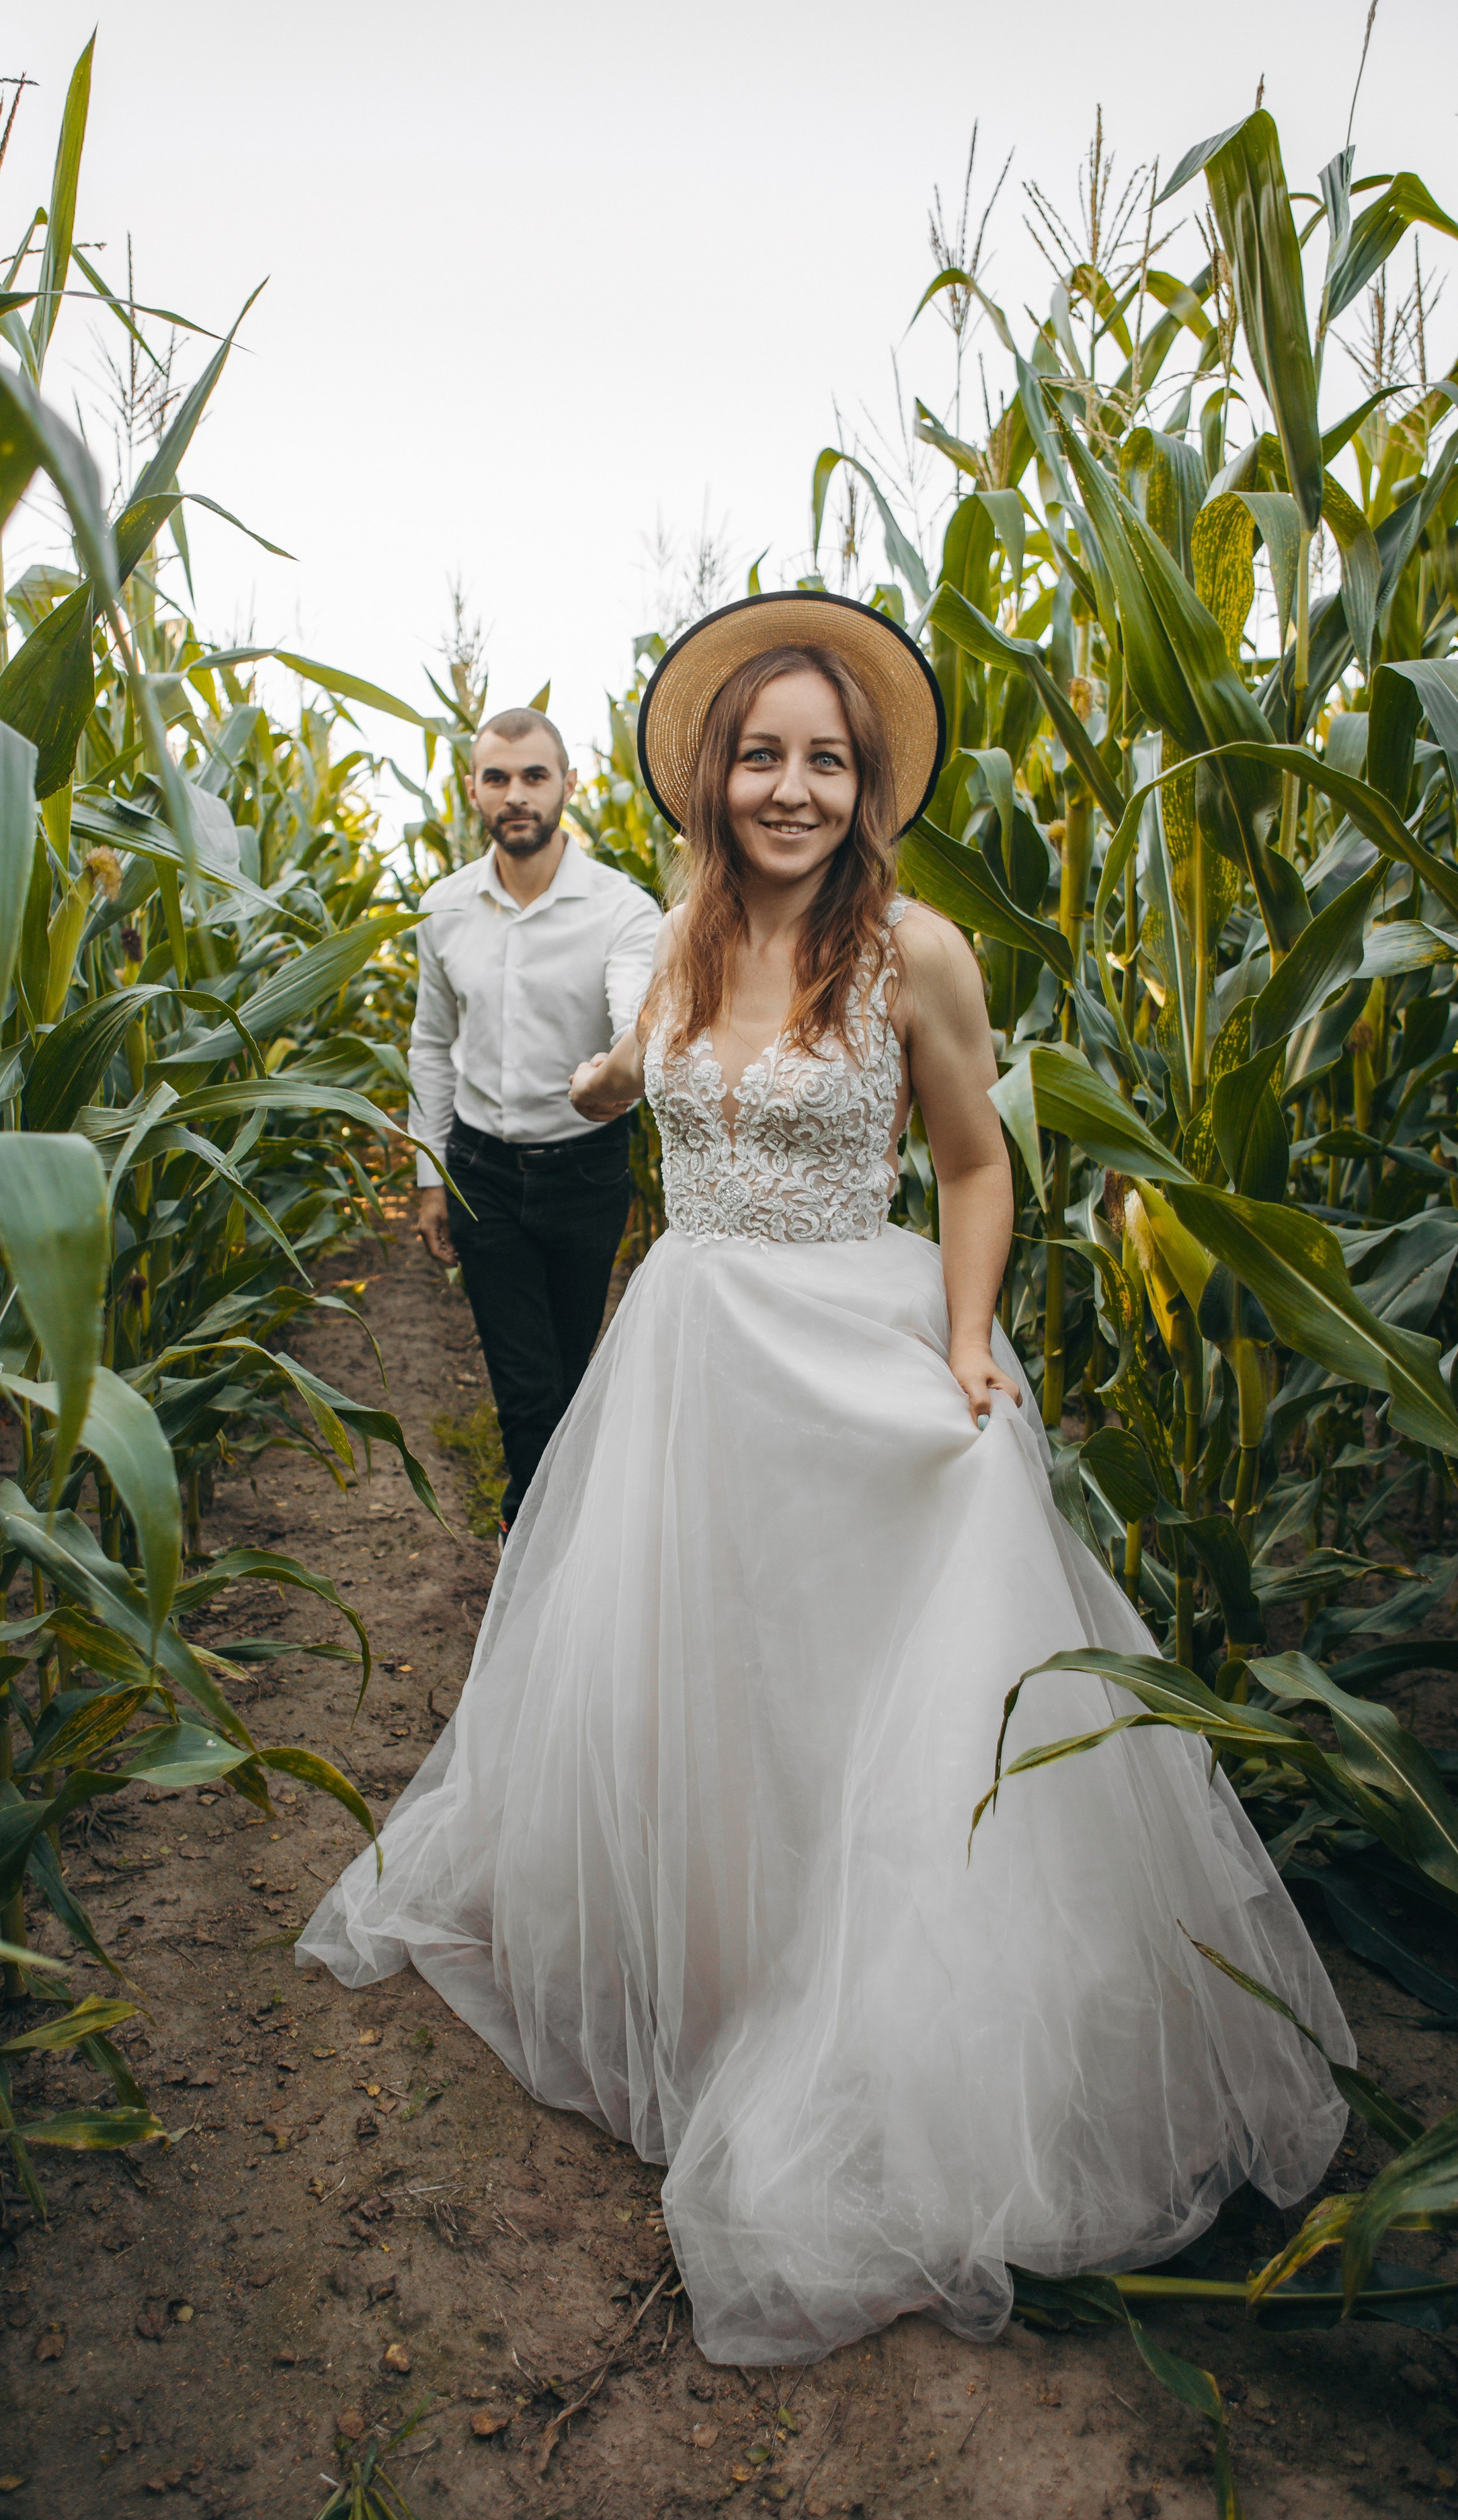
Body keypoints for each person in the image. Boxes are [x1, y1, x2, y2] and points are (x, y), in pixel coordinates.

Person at [300, 593, 1350, 2367]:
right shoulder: (688, 933)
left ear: (868, 788)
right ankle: (726, 1966)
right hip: (696, 1348)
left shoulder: (919, 951)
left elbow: (971, 1166)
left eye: (828, 760)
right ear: (718, 778)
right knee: (716, 1671)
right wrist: (607, 1068)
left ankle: (886, 2026)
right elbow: (656, 1075)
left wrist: (965, 1341)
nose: (793, 786)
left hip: (852, 1337)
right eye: (764, 754)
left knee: (883, 1685)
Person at [407, 706, 659, 1534]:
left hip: (584, 1172)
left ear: (567, 786)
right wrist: (429, 1177)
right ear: (474, 790)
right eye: (497, 778)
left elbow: (636, 1018)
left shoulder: (622, 910)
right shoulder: (443, 909)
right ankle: (537, 1549)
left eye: (533, 777)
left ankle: (560, 1554)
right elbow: (433, 1046)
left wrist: (618, 1071)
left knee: (568, 1374)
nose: (515, 795)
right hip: (481, 1174)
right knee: (524, 1388)